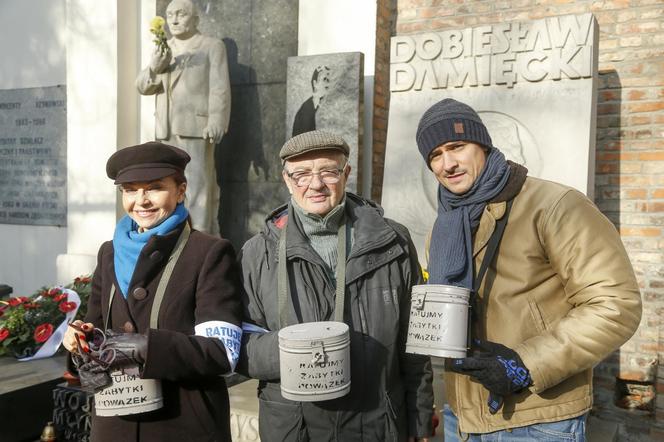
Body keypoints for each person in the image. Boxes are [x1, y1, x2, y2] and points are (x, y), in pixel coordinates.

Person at [415, 98, 642, 440]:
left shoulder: (554, 206)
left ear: (483, 145)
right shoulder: (444, 226)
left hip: (537, 418)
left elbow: (616, 306)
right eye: (435, 155)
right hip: (461, 417)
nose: (447, 163)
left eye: (457, 147)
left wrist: (525, 364)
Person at [238, 130, 434, 442]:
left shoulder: (393, 241)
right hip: (295, 427)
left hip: (377, 424)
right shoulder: (257, 253)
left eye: (328, 171)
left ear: (346, 174)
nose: (315, 184)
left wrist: (420, 420)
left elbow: (415, 343)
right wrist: (294, 351)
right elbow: (239, 345)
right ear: (286, 180)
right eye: (301, 174)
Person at [63, 141, 243, 441]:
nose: (141, 200)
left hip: (184, 423)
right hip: (114, 426)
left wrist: (145, 347)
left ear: (180, 190)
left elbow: (221, 353)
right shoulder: (108, 253)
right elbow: (95, 328)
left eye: (155, 188)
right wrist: (80, 340)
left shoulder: (210, 252)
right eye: (131, 190)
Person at [136, 0, 231, 235]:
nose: (175, 19)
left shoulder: (211, 46)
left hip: (195, 127)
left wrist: (217, 119)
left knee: (199, 187)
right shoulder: (163, 49)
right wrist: (155, 68)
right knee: (166, 185)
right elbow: (142, 87)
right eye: (170, 15)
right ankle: (170, 234)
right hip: (165, 129)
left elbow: (220, 86)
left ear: (195, 19)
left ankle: (201, 238)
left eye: (181, 14)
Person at [292, 66, 331, 136]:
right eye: (324, 79)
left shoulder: (330, 106)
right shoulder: (304, 111)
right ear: (315, 84)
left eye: (329, 81)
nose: (328, 84)